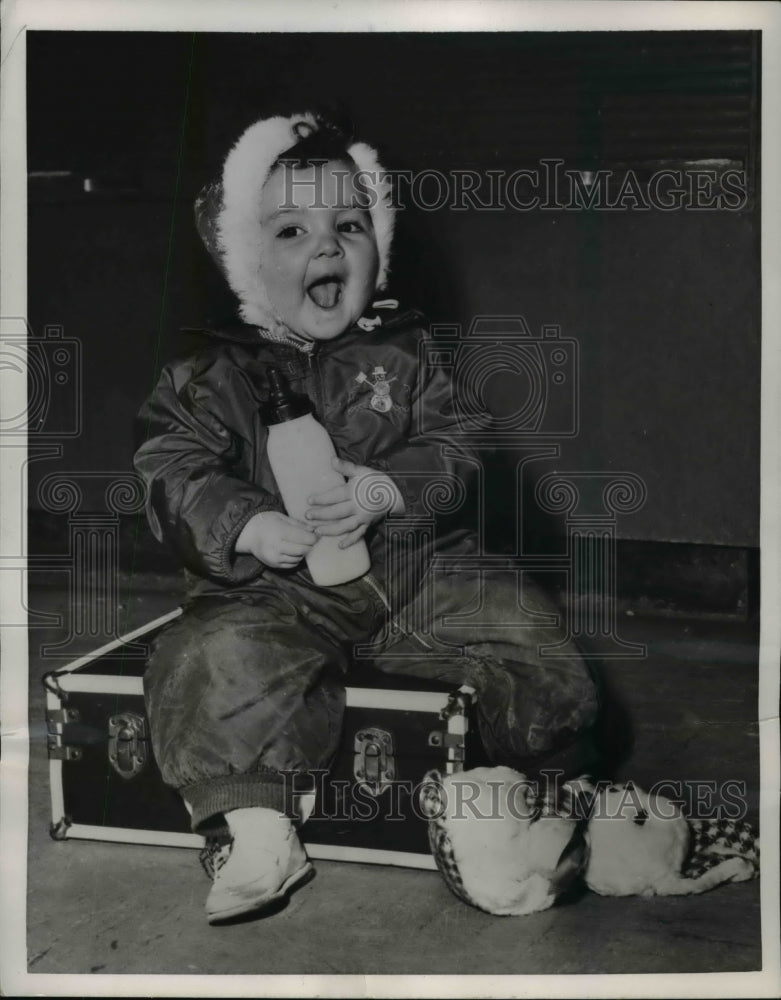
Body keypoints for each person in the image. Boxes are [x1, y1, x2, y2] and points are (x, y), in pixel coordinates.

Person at [134, 110, 600, 924]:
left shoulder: (407, 354)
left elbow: (457, 444)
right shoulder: (206, 374)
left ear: (378, 248)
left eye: (349, 224)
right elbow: (171, 470)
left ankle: (528, 783)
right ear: (244, 261)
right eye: (289, 230)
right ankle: (256, 824)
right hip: (272, 595)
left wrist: (388, 487)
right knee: (208, 658)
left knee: (522, 623)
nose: (327, 245)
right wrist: (244, 523)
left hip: (414, 573)